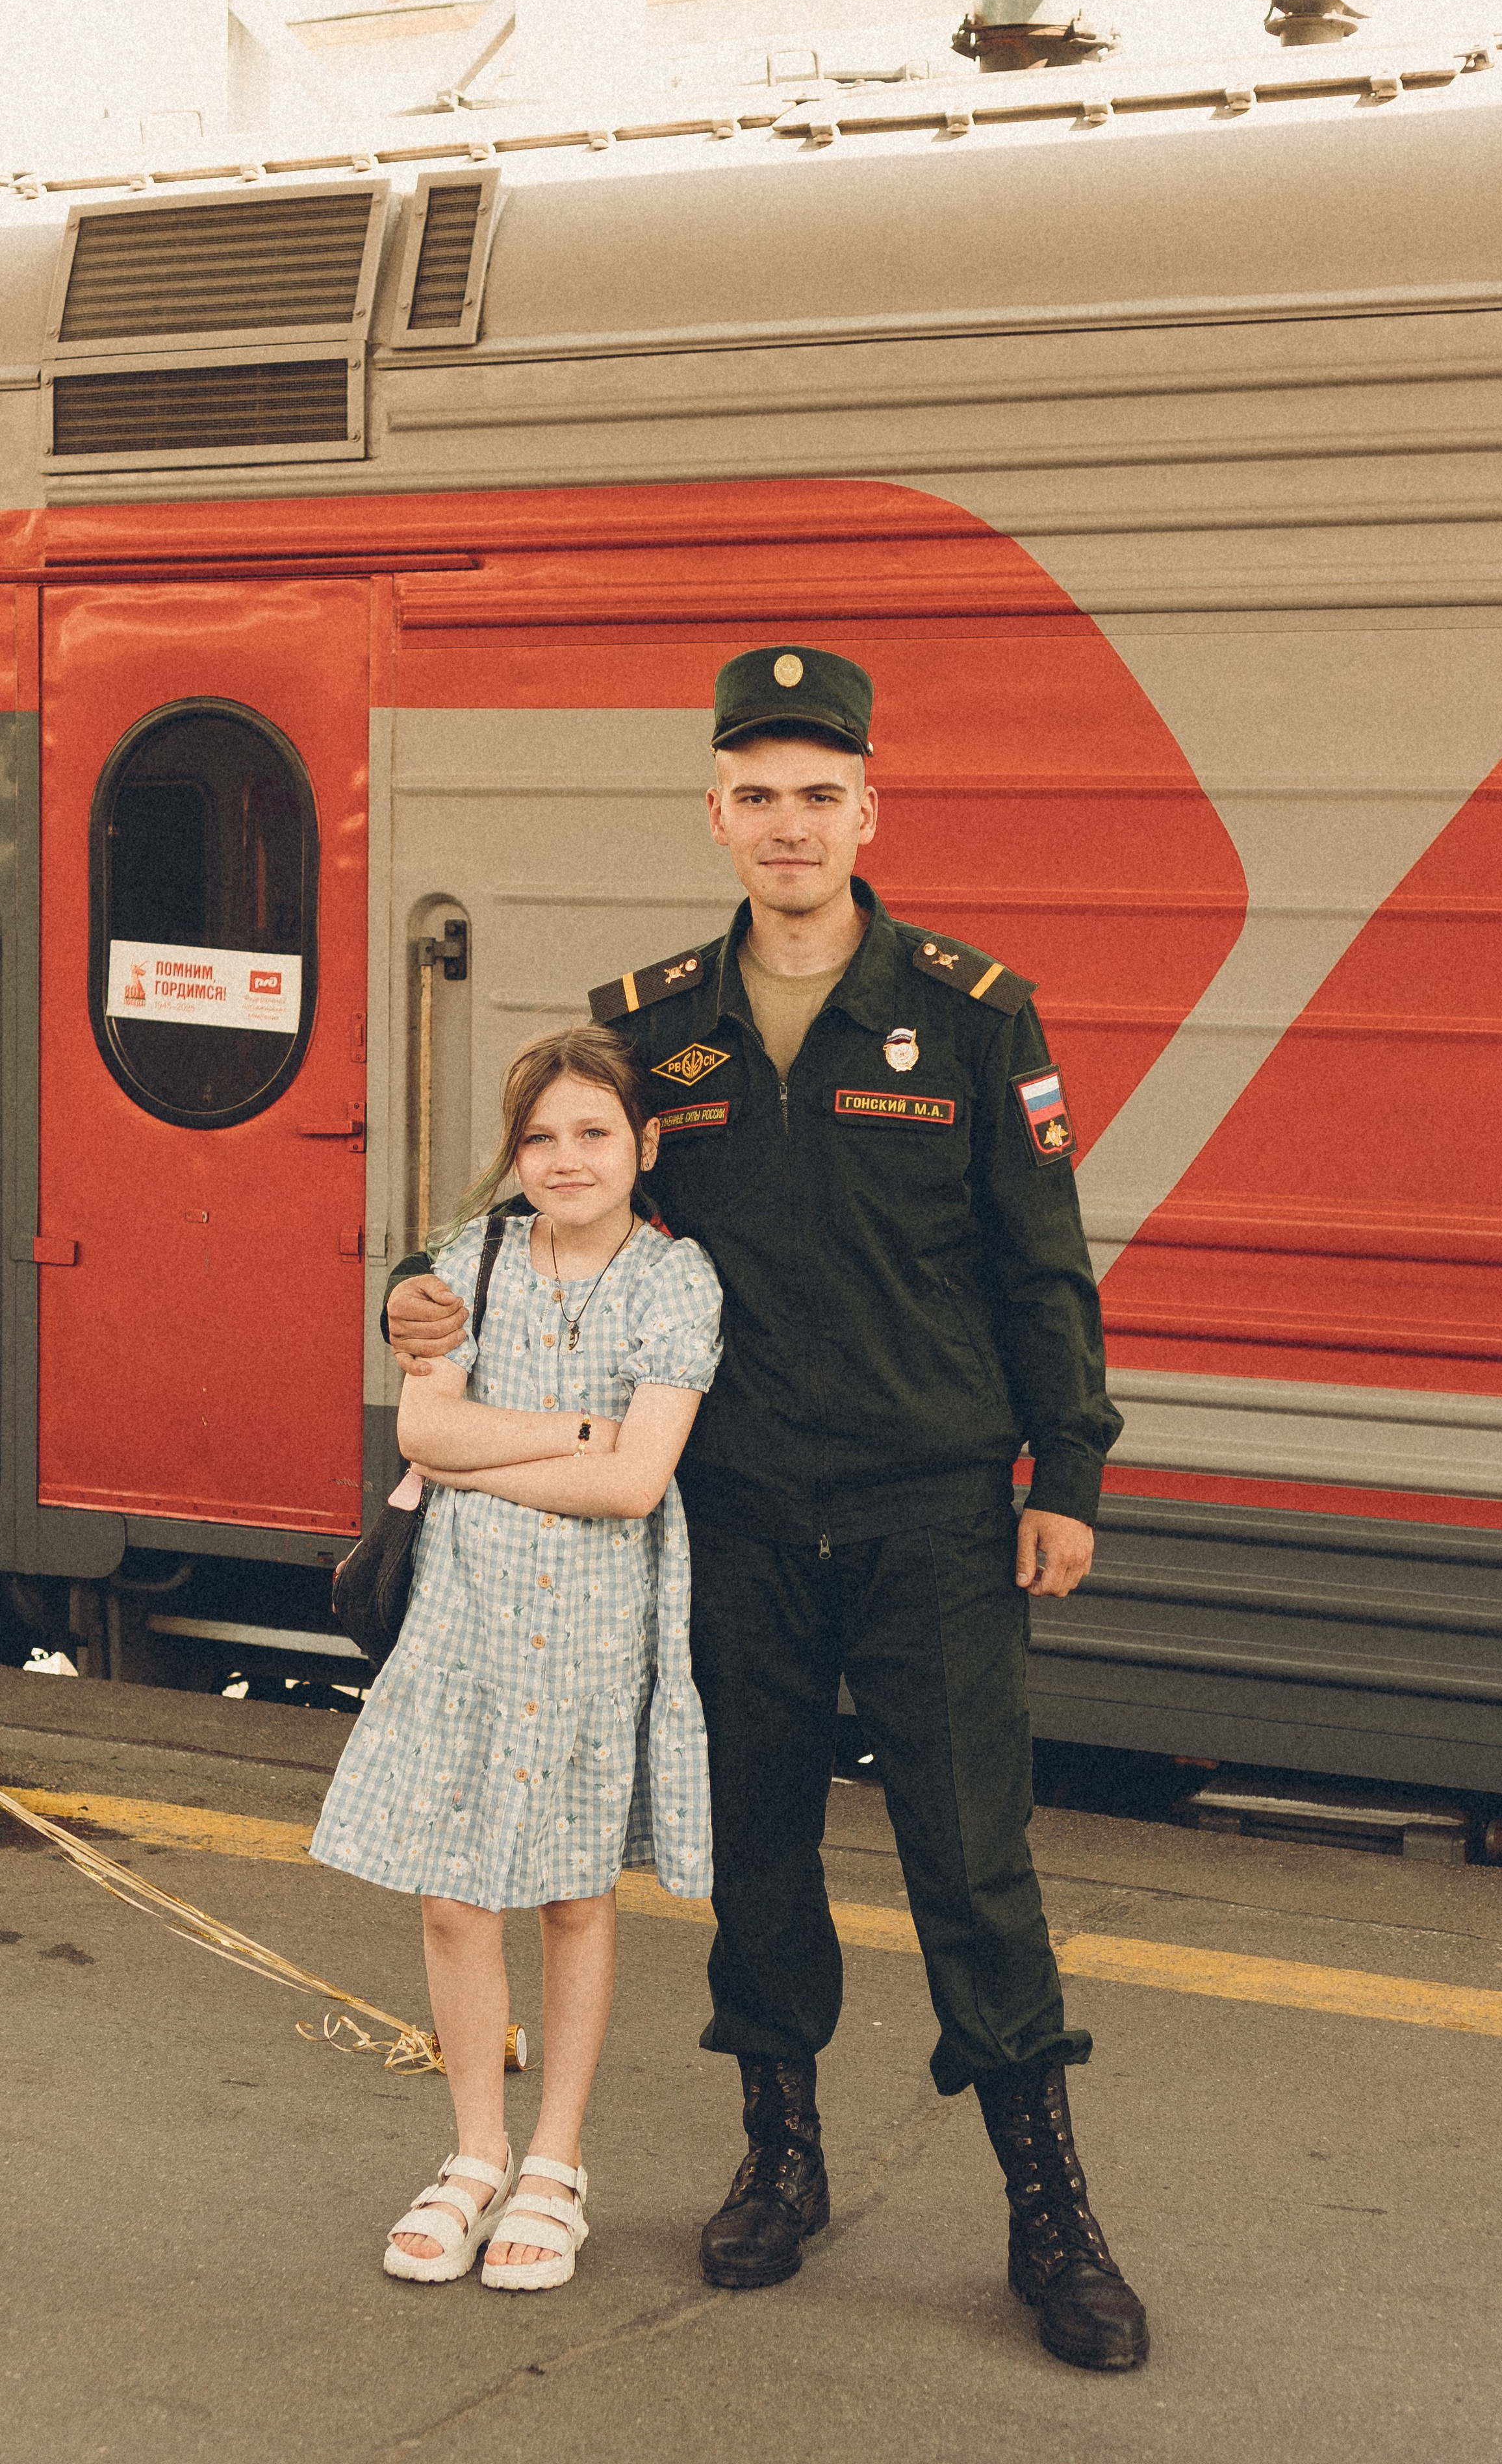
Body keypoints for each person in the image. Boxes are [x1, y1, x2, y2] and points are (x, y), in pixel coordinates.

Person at [382, 647, 1148, 2370]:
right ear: (714, 815)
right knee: (758, 1855)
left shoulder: (974, 1014)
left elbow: (1041, 1266)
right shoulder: (651, 1026)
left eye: (818, 794)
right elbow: (531, 1202)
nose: (788, 823)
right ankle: (778, 2160)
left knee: (973, 1863)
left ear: (868, 811)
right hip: (729, 1518)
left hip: (932, 1509)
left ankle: (1050, 2211)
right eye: (756, 794)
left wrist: (1070, 1473)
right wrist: (411, 1302)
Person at [314, 1025, 721, 2293]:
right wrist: (577, 1431)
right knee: (451, 1896)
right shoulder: (466, 1264)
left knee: (572, 1894)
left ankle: (555, 2162)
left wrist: (490, 1454)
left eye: (593, 1132)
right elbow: (423, 1432)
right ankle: (475, 2153)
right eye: (539, 1137)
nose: (564, 1159)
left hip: (594, 1622)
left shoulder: (676, 1281)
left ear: (645, 1142)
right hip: (462, 1619)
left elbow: (635, 1484)